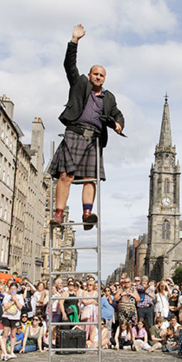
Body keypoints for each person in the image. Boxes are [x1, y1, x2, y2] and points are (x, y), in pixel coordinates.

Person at [48, 24, 125, 230]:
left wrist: (118, 124)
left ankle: (87, 214)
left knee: (91, 178)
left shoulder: (109, 98)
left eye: (102, 75)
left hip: (94, 140)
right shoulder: (80, 83)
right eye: (95, 74)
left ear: (104, 78)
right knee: (66, 175)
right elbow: (69, 65)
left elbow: (118, 114)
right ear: (90, 75)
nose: (98, 77)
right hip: (75, 133)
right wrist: (74, 41)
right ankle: (58, 214)